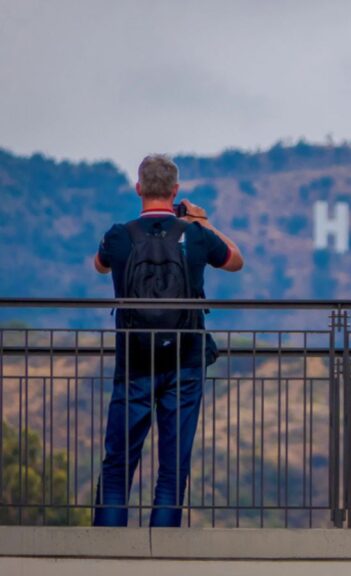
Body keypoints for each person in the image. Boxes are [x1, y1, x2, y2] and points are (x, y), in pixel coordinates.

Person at [92, 154, 243, 526]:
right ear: (175, 190)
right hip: (185, 361)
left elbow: (99, 264)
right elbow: (236, 260)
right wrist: (201, 220)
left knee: (118, 462)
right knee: (173, 465)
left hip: (134, 362)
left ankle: (105, 553)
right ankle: (161, 555)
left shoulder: (119, 235)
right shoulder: (194, 235)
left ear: (139, 188)